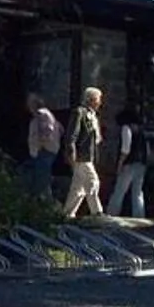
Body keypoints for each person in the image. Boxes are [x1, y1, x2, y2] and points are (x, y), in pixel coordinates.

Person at [62, 88, 104, 218]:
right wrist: (71, 152)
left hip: (88, 155)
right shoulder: (80, 112)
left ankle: (67, 214)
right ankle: (97, 212)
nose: (100, 103)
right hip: (81, 156)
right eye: (98, 99)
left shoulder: (93, 115)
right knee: (93, 181)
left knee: (78, 187)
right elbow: (72, 135)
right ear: (91, 99)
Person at [106, 107, 148, 217]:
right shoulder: (140, 130)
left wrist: (119, 164)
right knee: (137, 192)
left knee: (119, 190)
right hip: (141, 163)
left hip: (129, 163)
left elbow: (125, 149)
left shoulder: (126, 128)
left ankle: (112, 213)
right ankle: (139, 215)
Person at [24, 92, 61, 197]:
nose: (29, 105)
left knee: (41, 181)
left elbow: (47, 130)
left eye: (31, 102)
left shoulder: (42, 114)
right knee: (41, 178)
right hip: (42, 152)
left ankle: (45, 202)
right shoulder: (42, 115)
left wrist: (42, 144)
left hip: (44, 152)